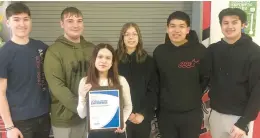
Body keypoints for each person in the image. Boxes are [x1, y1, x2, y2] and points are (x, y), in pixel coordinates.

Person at [205, 8, 260, 138]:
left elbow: (257, 90)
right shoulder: (213, 50)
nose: (229, 26)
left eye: (234, 22)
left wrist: (244, 122)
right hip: (216, 114)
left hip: (239, 118)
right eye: (225, 23)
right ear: (221, 25)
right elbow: (204, 78)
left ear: (243, 24)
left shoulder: (254, 52)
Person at [153, 11, 207, 138]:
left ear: (188, 30)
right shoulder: (159, 52)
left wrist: (192, 96)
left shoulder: (200, 51)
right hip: (166, 115)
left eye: (181, 26)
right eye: (173, 26)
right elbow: (156, 81)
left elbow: (205, 78)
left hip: (191, 114)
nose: (176, 30)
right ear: (167, 29)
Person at [0, 2, 50, 138]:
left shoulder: (41, 47)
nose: (22, 24)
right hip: (20, 122)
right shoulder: (4, 53)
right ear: (8, 22)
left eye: (25, 19)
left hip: (45, 117)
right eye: (16, 19)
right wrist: (9, 127)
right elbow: (1, 93)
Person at [44, 7, 95, 138]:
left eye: (79, 21)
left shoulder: (92, 48)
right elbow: (57, 87)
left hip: (91, 117)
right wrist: (82, 108)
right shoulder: (54, 51)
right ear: (62, 24)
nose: (75, 25)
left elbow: (99, 78)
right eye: (70, 21)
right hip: (65, 120)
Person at [77, 43, 132, 138]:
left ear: (112, 62)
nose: (103, 61)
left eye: (108, 58)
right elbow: (82, 114)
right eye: (100, 57)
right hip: (94, 133)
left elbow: (128, 106)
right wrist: (82, 97)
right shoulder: (85, 81)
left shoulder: (121, 80)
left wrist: (121, 121)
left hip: (116, 132)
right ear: (94, 59)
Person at [116, 22, 157, 138]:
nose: (131, 37)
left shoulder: (149, 61)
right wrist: (124, 114)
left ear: (139, 37)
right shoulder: (113, 60)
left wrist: (143, 114)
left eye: (134, 34)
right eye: (127, 34)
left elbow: (153, 90)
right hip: (119, 119)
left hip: (141, 119)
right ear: (122, 38)